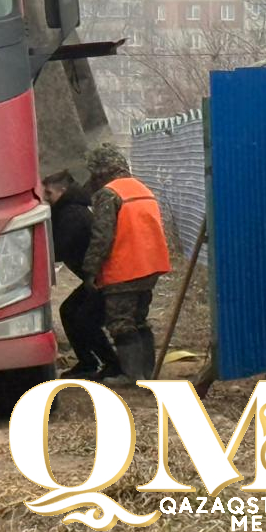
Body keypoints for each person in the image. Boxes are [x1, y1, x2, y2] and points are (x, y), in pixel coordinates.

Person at [83, 143, 172, 383]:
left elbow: (102, 236)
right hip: (150, 266)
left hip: (124, 269)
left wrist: (90, 270)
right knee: (139, 320)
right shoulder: (142, 189)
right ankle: (147, 372)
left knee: (121, 323)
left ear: (99, 171)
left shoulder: (108, 194)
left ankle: (131, 375)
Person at [42, 169, 120, 380]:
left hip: (106, 279)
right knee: (69, 311)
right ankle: (88, 362)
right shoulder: (68, 211)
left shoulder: (72, 214)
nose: (45, 199)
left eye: (48, 194)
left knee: (86, 319)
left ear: (63, 191)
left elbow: (57, 250)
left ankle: (113, 365)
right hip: (96, 278)